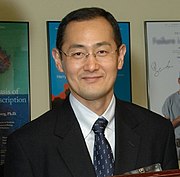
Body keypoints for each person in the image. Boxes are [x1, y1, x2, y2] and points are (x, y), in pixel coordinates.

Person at [4, 7, 178, 177]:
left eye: (101, 51)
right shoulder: (27, 145)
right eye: (78, 53)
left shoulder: (158, 132)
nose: (91, 66)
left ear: (120, 56)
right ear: (58, 60)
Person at [162, 74, 180, 159]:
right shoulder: (170, 101)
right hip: (176, 148)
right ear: (179, 81)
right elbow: (166, 128)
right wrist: (178, 120)